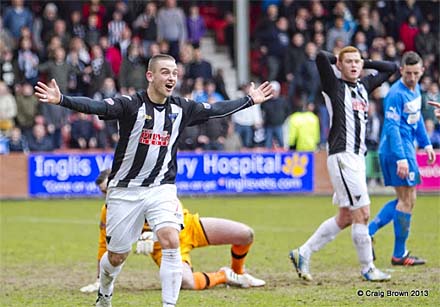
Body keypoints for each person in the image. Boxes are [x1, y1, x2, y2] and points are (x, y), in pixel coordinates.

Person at [34, 53, 273, 307]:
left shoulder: (182, 108)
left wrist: (250, 100)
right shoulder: (131, 105)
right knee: (116, 256)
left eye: (174, 73)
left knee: (170, 239)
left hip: (161, 188)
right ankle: (105, 293)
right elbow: (99, 107)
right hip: (126, 190)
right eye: (165, 72)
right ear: (150, 76)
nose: (171, 77)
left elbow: (216, 110)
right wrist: (62, 99)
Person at [288, 46, 398, 282]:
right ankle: (368, 268)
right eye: (349, 62)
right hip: (343, 156)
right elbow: (319, 56)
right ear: (339, 65)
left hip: (357, 157)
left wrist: (363, 60)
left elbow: (392, 68)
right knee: (363, 214)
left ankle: (302, 252)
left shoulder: (364, 86)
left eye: (357, 62)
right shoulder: (334, 85)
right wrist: (338, 59)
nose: (354, 65)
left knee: (347, 217)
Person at [80, 170, 265, 293]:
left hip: (188, 227)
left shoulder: (153, 187)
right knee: (186, 283)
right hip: (165, 248)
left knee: (245, 234)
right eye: (104, 193)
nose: (107, 195)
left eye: (109, 190)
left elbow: (174, 219)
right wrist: (99, 280)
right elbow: (105, 245)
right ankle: (224, 276)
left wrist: (151, 236)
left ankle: (238, 272)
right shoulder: (110, 210)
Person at [368, 52, 436, 266]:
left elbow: (416, 122)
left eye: (416, 73)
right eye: (409, 74)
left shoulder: (416, 90)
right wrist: (401, 159)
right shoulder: (396, 94)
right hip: (396, 151)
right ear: (401, 71)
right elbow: (392, 127)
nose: (413, 77)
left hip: (405, 149)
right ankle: (399, 254)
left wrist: (426, 144)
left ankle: (367, 233)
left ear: (423, 71)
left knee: (405, 200)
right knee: (407, 201)